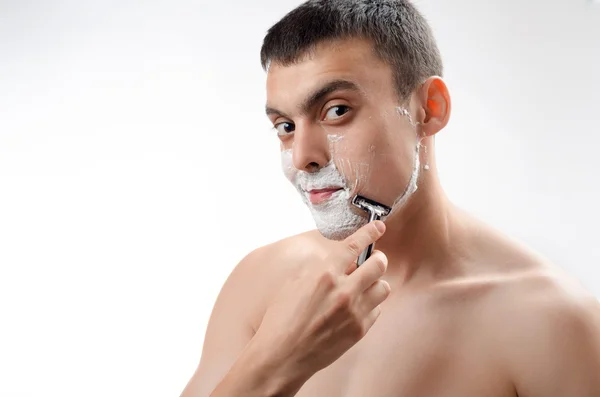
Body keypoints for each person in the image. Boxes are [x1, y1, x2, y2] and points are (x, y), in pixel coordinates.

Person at [181, 1, 600, 396]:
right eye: (285, 126)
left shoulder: (550, 323)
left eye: (337, 110)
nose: (303, 156)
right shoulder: (262, 280)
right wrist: (276, 362)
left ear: (428, 109)